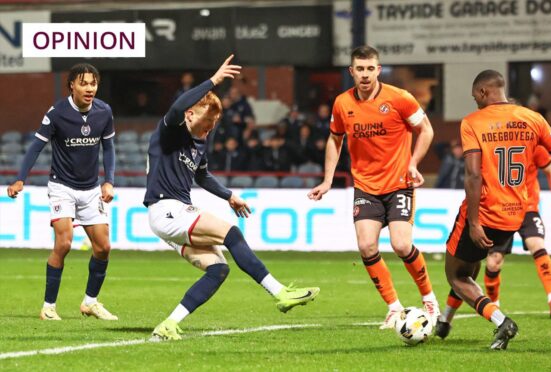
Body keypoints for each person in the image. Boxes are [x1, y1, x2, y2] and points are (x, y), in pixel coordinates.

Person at [144, 55, 319, 341]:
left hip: (170, 218)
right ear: (190, 114)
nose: (209, 128)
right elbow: (176, 106)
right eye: (206, 120)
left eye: (214, 123)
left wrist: (229, 196)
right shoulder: (170, 132)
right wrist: (214, 80)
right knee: (232, 234)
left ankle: (169, 324)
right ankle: (280, 292)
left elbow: (202, 176)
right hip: (168, 209)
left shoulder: (198, 144)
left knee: (218, 269)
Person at [436, 70, 551, 350]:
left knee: (456, 274)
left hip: (484, 212)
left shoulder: (473, 122)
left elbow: (472, 176)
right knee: (471, 267)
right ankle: (444, 321)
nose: (475, 103)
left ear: (483, 93)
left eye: (475, 98)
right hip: (514, 216)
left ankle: (500, 320)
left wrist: (472, 222)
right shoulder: (533, 118)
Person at [307, 45, 439, 329]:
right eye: (360, 69)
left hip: (399, 183)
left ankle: (429, 298)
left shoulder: (400, 98)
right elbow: (334, 139)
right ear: (351, 71)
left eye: (370, 69)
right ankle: (394, 308)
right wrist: (328, 179)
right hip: (365, 186)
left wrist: (414, 163)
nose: (365, 75)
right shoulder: (343, 103)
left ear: (378, 70)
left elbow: (425, 129)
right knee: (367, 246)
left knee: (401, 244)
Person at [6, 63, 117, 321]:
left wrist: (108, 181)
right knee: (64, 243)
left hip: (91, 189)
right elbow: (36, 147)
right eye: (84, 83)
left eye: (93, 83)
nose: (89, 88)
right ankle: (48, 307)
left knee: (103, 247)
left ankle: (90, 303)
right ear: (72, 86)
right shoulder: (57, 113)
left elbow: (109, 148)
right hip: (62, 187)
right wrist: (21, 179)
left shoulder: (104, 111)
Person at [437, 146, 551, 343]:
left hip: (517, 209)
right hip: (503, 209)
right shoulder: (519, 138)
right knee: (491, 264)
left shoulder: (529, 144)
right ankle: (492, 307)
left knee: (535, 245)